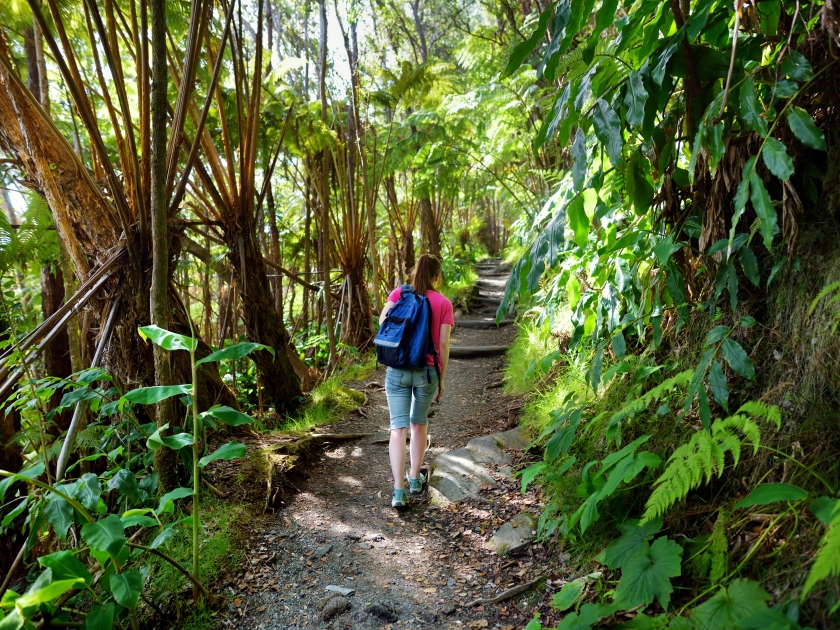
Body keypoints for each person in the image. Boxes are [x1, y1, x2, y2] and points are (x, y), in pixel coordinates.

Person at [378, 254, 454, 508]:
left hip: (397, 369)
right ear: (437, 276)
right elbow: (442, 344)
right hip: (427, 371)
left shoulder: (399, 293)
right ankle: (414, 479)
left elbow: (383, 323)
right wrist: (441, 378)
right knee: (418, 424)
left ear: (414, 273)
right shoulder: (444, 303)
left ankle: (398, 491)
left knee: (398, 429)